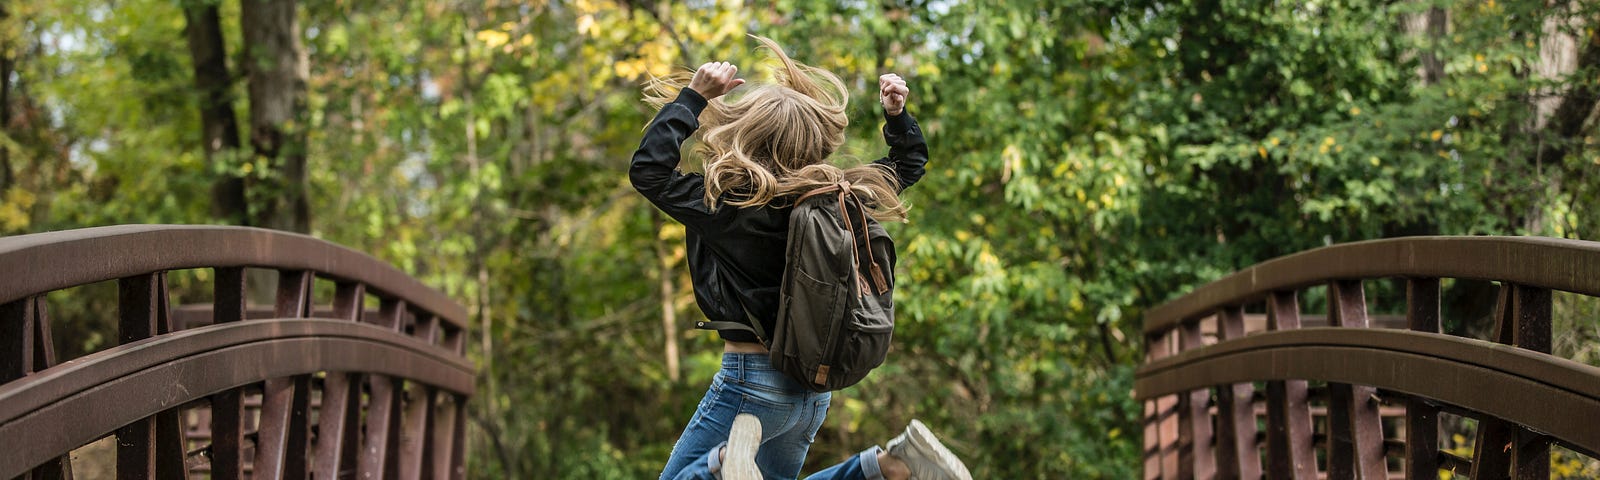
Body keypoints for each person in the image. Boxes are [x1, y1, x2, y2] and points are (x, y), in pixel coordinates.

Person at [629, 35, 973, 480]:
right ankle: (886, 468)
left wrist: (694, 97)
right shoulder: (840, 198)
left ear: (744, 134)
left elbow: (648, 171)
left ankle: (717, 470)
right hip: (811, 391)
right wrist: (897, 116)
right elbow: (906, 165)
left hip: (750, 384)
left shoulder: (726, 206)